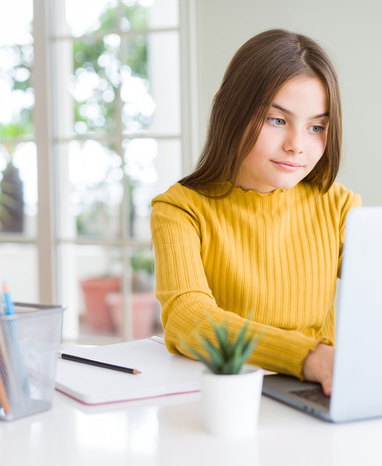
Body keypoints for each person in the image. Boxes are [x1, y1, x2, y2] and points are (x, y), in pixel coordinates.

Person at [150, 29, 361, 396]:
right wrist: (307, 356)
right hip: (221, 399)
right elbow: (187, 318)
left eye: (316, 127)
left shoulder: (338, 205)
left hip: (319, 393)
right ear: (227, 107)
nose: (297, 146)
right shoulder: (179, 210)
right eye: (277, 120)